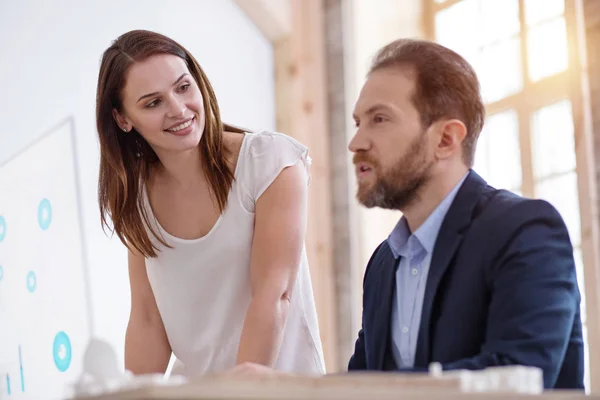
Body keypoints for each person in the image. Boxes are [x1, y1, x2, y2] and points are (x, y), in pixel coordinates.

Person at [231, 38, 585, 390]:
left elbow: (518, 379)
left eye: (379, 119)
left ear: (446, 139)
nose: (356, 143)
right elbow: (361, 385)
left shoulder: (526, 230)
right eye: (358, 123)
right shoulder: (383, 265)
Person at [95, 29, 325, 377]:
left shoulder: (271, 162)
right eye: (153, 102)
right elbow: (147, 320)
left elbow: (273, 295)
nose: (178, 109)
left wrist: (234, 394)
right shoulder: (136, 197)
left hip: (277, 386)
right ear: (123, 119)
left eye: (183, 87)